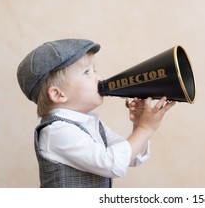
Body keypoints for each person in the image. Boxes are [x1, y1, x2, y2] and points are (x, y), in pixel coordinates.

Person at [16, 38, 175, 187]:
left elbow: (128, 157)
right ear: (58, 94)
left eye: (95, 70)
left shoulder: (93, 124)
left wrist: (138, 125)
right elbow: (111, 164)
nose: (98, 78)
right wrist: (145, 129)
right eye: (87, 72)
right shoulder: (56, 131)